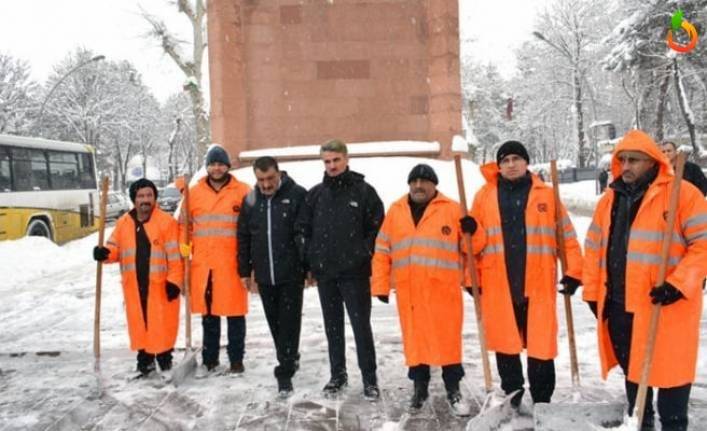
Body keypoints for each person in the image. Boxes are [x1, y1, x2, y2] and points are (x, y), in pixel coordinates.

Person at [583, 130, 707, 430]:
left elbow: (703, 244)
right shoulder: (608, 200)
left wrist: (679, 284)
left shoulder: (683, 195)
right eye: (621, 159)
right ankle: (641, 423)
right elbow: (594, 246)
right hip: (620, 304)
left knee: (672, 380)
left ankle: (674, 424)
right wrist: (591, 291)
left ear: (652, 162)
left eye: (634, 160)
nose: (626, 166)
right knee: (634, 376)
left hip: (666, 306)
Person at [467, 140, 583, 408]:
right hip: (499, 281)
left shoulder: (545, 194)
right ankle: (513, 395)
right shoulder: (484, 196)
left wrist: (575, 271)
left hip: (538, 281)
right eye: (505, 160)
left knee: (540, 344)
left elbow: (566, 236)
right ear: (499, 165)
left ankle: (543, 399)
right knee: (505, 342)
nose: (511, 165)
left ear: (526, 162)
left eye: (516, 159)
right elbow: (472, 247)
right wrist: (471, 231)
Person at [372, 164, 481, 416]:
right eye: (414, 181)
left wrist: (473, 231)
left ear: (434, 185)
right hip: (410, 294)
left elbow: (473, 250)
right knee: (416, 343)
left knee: (448, 344)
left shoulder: (453, 209)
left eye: (425, 181)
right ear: (409, 185)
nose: (419, 186)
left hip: (443, 293)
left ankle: (453, 389)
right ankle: (419, 389)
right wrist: (380, 284)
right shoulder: (396, 211)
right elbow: (382, 250)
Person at [294, 139, 384, 400]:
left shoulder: (364, 192)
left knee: (361, 327)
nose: (331, 166)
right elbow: (302, 229)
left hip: (355, 273)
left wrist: (363, 252)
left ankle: (369, 378)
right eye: (327, 161)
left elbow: (377, 227)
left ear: (346, 159)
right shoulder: (315, 195)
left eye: (336, 160)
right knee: (332, 327)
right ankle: (338, 375)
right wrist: (310, 258)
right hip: (326, 274)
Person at [93, 178, 182, 377]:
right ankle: (144, 363)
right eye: (141, 196)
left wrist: (174, 281)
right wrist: (104, 253)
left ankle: (165, 361)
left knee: (161, 325)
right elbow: (114, 248)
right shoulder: (124, 222)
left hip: (160, 286)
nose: (145, 200)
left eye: (149, 195)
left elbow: (175, 256)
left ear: (155, 198)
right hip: (134, 285)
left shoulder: (166, 222)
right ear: (134, 199)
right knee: (140, 325)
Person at [237, 156, 307, 397]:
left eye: (270, 179)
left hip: (291, 273)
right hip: (265, 274)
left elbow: (304, 233)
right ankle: (290, 355)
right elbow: (243, 236)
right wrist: (245, 271)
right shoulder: (250, 200)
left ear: (279, 174)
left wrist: (307, 266)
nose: (266, 184)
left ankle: (284, 371)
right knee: (275, 322)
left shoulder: (297, 195)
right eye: (260, 180)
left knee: (289, 321)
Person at [181, 144, 251, 375]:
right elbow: (184, 227)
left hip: (232, 265)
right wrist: (184, 250)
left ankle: (236, 360)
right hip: (205, 266)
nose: (217, 168)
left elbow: (253, 227)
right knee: (209, 316)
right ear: (207, 167)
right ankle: (210, 360)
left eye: (221, 163)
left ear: (228, 166)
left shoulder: (243, 191)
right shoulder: (194, 193)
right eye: (212, 164)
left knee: (235, 314)